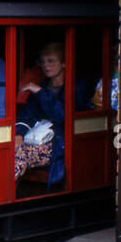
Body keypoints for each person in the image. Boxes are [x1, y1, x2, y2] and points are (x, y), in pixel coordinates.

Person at [15, 43, 91, 187]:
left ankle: (3, 201)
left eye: (51, 61)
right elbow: (27, 115)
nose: (46, 65)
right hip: (35, 140)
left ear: (64, 63)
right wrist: (19, 134)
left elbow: (63, 117)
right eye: (42, 61)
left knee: (20, 156)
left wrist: (41, 94)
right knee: (9, 153)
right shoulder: (42, 86)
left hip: (61, 144)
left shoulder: (77, 86)